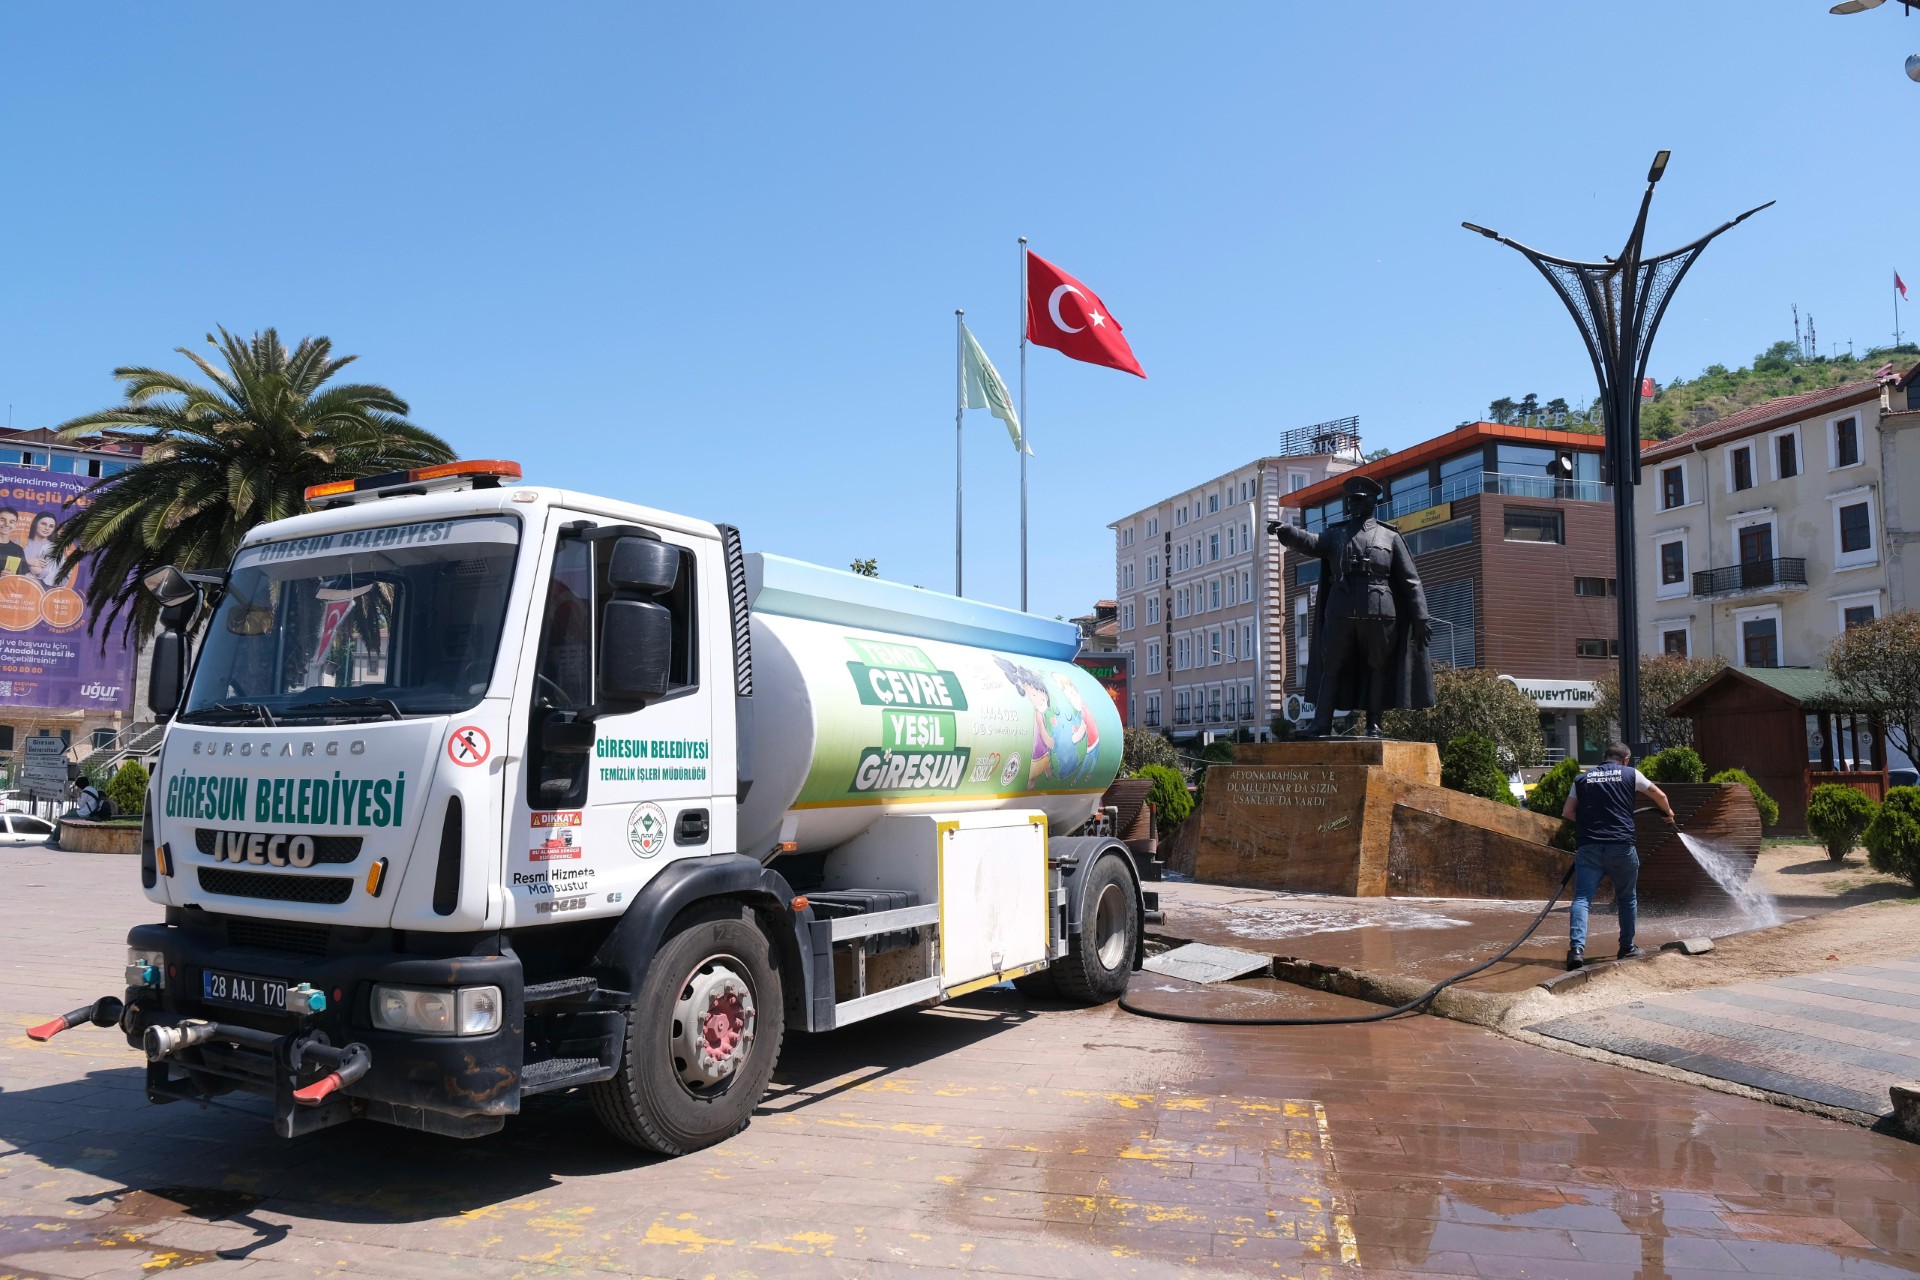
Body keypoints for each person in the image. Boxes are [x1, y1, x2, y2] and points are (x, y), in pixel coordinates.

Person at [1267, 474, 1435, 737]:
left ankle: (1374, 724)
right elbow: (1311, 543)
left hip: (1380, 613)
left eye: (1359, 499)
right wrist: (1287, 532)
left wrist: (1420, 617)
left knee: (1377, 667)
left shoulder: (1389, 537)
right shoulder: (1336, 534)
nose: (1353, 504)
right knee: (1331, 665)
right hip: (1340, 612)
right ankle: (1321, 723)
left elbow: (1410, 581)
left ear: (1372, 502)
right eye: (1350, 500)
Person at [1561, 742, 1676, 969]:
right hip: (1621, 846)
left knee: (1583, 899)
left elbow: (1567, 812)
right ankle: (1627, 947)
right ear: (1625, 759)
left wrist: (1591, 825)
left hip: (1589, 846)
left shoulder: (1582, 778)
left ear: (1604, 758)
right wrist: (1668, 813)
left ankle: (1576, 950)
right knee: (1626, 897)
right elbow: (1659, 794)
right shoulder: (1630, 773)